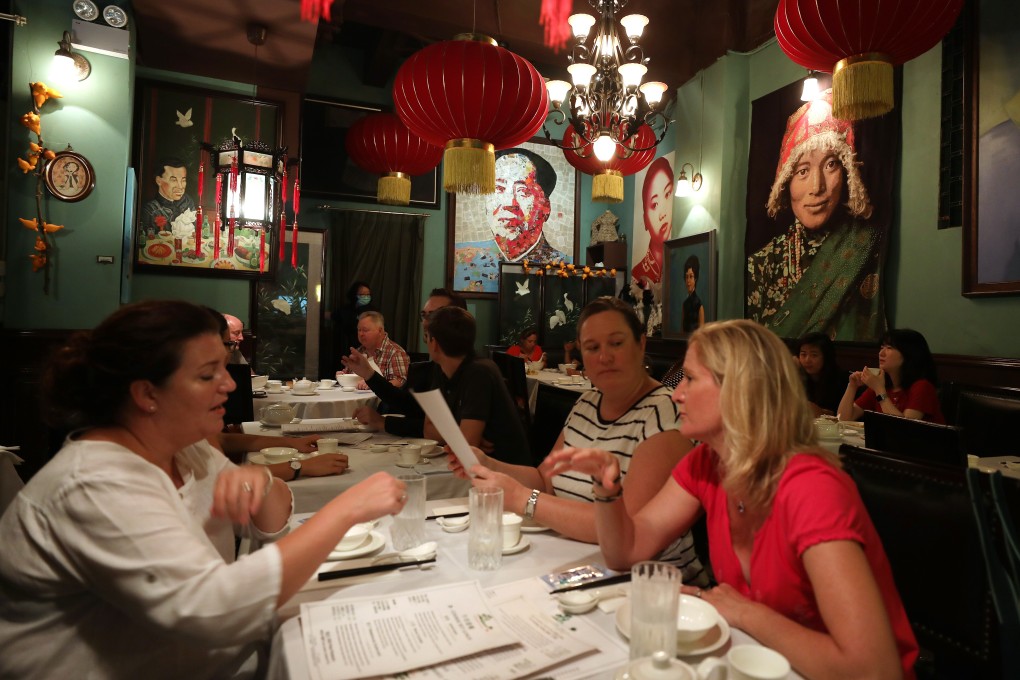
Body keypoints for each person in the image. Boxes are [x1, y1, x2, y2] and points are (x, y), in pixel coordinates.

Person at [0, 300, 407, 679]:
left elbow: (273, 522)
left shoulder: (186, 448)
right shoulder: (94, 483)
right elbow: (215, 610)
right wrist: (346, 509)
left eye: (224, 367)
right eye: (207, 374)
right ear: (146, 394)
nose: (229, 385)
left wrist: (263, 483)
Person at [545, 319, 918, 678]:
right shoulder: (706, 462)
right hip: (759, 660)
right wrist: (607, 490)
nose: (676, 393)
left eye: (690, 379)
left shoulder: (810, 488)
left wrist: (746, 614)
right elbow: (625, 551)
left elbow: (874, 670)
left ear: (741, 388)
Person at [449, 298, 706, 585]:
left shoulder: (665, 414)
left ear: (641, 344)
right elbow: (545, 480)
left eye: (616, 343)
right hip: (572, 560)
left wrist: (525, 500)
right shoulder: (587, 402)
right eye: (593, 348)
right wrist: (487, 463)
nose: (604, 357)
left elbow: (623, 529)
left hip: (649, 585)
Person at [746, 89, 885, 341]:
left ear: (847, 174)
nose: (816, 187)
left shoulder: (865, 244)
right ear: (785, 182)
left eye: (831, 165)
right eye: (802, 171)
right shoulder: (761, 264)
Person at [346, 288, 467, 438]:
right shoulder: (432, 368)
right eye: (424, 315)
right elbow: (411, 408)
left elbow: (449, 432)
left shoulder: (475, 371)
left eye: (435, 314)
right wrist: (369, 375)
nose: (426, 322)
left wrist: (382, 422)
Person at [420, 306, 531, 465]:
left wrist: (462, 436)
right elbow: (428, 431)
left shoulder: (480, 372)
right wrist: (462, 433)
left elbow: (467, 448)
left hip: (504, 476)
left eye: (427, 337)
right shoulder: (442, 370)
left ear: (434, 343)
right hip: (478, 469)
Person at [453, 149, 570, 293]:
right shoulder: (464, 260)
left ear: (545, 207)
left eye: (522, 192)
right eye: (498, 189)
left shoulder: (565, 267)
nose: (509, 203)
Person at [838, 328, 945, 424]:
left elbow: (904, 428)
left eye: (889, 348)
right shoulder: (881, 385)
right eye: (881, 347)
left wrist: (879, 390)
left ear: (909, 354)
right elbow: (842, 418)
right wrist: (852, 386)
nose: (881, 353)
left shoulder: (922, 387)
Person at [631, 156, 675, 285]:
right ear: (645, 220)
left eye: (667, 194)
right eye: (655, 204)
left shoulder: (679, 267)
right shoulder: (637, 275)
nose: (662, 213)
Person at [338, 311, 410, 389]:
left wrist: (374, 384)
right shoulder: (358, 351)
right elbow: (349, 373)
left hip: (381, 400)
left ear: (380, 331)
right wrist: (343, 375)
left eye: (365, 330)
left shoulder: (395, 352)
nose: (361, 334)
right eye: (359, 330)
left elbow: (400, 382)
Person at [139, 156, 196, 242]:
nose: (180, 187)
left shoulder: (187, 201)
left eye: (183, 180)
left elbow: (193, 233)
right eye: (174, 180)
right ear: (159, 181)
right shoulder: (149, 210)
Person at [796, 332, 844, 417]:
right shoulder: (798, 377)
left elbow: (840, 415)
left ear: (826, 357)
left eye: (814, 355)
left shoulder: (842, 380)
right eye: (803, 354)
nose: (807, 360)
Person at [333, 281, 376, 369]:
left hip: (365, 346)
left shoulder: (373, 312)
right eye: (362, 294)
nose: (366, 297)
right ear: (354, 295)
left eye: (368, 294)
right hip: (345, 346)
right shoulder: (345, 310)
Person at [680, 254, 705, 335]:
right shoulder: (685, 304)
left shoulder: (699, 305)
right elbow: (682, 330)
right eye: (686, 277)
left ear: (695, 279)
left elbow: (701, 334)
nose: (688, 281)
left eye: (691, 277)